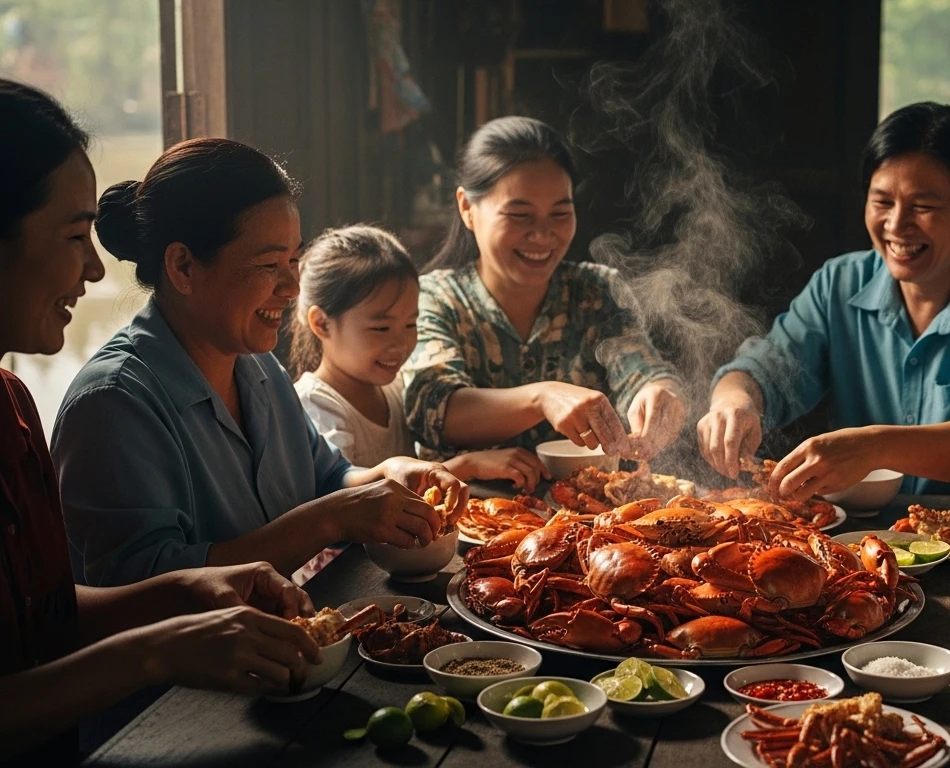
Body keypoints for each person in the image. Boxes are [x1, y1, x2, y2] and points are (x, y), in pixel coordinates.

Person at [0, 78, 319, 765]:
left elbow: (44, 615)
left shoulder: (13, 404)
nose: (93, 268)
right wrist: (163, 645)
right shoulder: (112, 400)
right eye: (72, 235)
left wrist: (187, 590)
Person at [50, 137, 467, 587]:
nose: (291, 286)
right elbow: (140, 589)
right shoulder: (115, 404)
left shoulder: (258, 366)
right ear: (183, 267)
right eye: (269, 265)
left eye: (294, 259)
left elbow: (327, 476)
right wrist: (329, 521)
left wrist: (386, 475)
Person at [698, 102, 950, 497]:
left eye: (923, 206)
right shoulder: (838, 283)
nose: (895, 225)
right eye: (882, 202)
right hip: (852, 540)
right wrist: (735, 401)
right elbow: (769, 367)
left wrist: (871, 448)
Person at [402, 116, 684, 464]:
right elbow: (434, 407)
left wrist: (658, 394)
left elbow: (641, 371)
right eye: (519, 216)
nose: (542, 235)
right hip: (470, 511)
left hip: (595, 513)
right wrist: (542, 398)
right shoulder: (434, 298)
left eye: (560, 213)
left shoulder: (597, 290)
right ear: (467, 208)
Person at [290, 224, 549, 490]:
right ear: (322, 323)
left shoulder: (396, 386)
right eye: (381, 328)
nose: (401, 343)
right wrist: (467, 466)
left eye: (411, 324)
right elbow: (352, 501)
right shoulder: (315, 405)